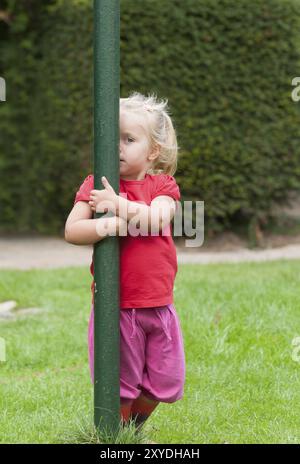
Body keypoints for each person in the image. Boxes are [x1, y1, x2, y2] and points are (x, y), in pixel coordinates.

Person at [65, 91, 186, 434]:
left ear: (152, 152)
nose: (116, 146)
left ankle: (133, 426)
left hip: (159, 305)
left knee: (167, 381)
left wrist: (117, 205)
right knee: (120, 382)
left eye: (128, 139)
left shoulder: (162, 185)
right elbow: (72, 230)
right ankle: (115, 438)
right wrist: (104, 224)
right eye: (110, 137)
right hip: (117, 308)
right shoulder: (94, 184)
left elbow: (154, 219)